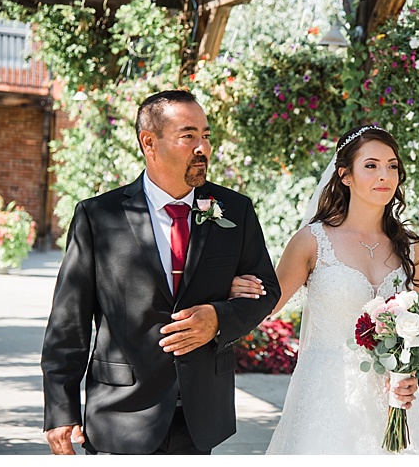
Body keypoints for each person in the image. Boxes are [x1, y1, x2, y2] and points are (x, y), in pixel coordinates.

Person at [41, 90, 282, 454]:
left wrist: (218, 318)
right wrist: (61, 408)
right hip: (120, 412)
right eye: (189, 136)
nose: (203, 147)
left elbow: (267, 290)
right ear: (149, 142)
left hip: (200, 414)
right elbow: (68, 322)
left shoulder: (235, 210)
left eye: (206, 135)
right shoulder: (98, 217)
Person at [227, 126, 419, 454]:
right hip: (325, 396)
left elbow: (418, 325)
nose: (385, 175)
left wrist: (407, 373)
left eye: (392, 165)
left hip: (392, 400)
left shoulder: (410, 247)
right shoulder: (312, 241)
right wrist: (237, 289)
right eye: (371, 165)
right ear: (345, 175)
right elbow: (268, 303)